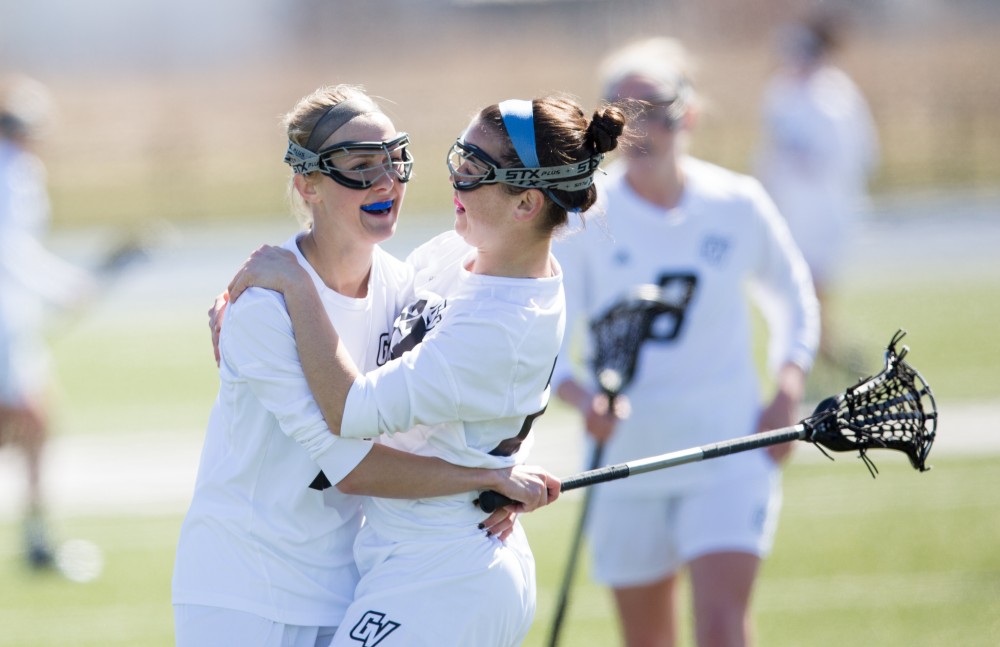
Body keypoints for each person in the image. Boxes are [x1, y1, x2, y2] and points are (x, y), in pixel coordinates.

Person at [224, 94, 625, 646]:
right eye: (457, 159)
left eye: (472, 171)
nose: (454, 182)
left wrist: (292, 284)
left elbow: (351, 410)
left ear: (526, 204)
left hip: (450, 570)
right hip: (413, 557)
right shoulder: (455, 254)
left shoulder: (502, 325)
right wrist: (251, 311)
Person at [550, 38, 820, 646]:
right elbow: (549, 343)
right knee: (649, 639)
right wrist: (581, 398)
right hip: (626, 460)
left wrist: (787, 386)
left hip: (728, 448)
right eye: (629, 110)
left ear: (689, 115)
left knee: (722, 628)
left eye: (661, 108)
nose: (647, 126)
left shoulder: (737, 202)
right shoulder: (585, 216)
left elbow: (793, 298)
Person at [0, 75, 95, 569]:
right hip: (6, 324)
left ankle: (37, 535)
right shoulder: (13, 170)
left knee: (31, 424)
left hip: (14, 320)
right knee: (33, 423)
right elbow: (10, 250)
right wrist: (61, 286)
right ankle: (37, 539)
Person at [754, 11, 878, 365]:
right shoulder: (783, 93)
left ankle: (822, 346)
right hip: (793, 202)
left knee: (815, 276)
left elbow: (849, 154)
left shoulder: (832, 96)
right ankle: (823, 346)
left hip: (824, 203)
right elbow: (770, 152)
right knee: (802, 277)